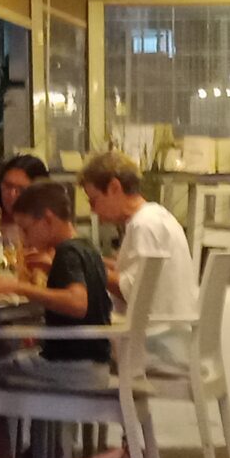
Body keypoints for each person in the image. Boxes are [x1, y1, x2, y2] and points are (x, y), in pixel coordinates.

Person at [0, 178, 114, 387]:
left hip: (71, 366)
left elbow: (78, 303)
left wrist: (17, 287)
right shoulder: (86, 247)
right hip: (95, 362)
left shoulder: (67, 252)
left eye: (26, 229)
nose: (25, 239)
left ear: (47, 219)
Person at [79, 151, 199, 360]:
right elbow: (135, 270)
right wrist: (92, 260)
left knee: (66, 352)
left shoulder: (144, 225)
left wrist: (85, 266)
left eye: (94, 201)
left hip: (157, 344)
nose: (93, 211)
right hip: (172, 336)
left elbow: (132, 291)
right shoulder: (157, 215)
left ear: (114, 187)